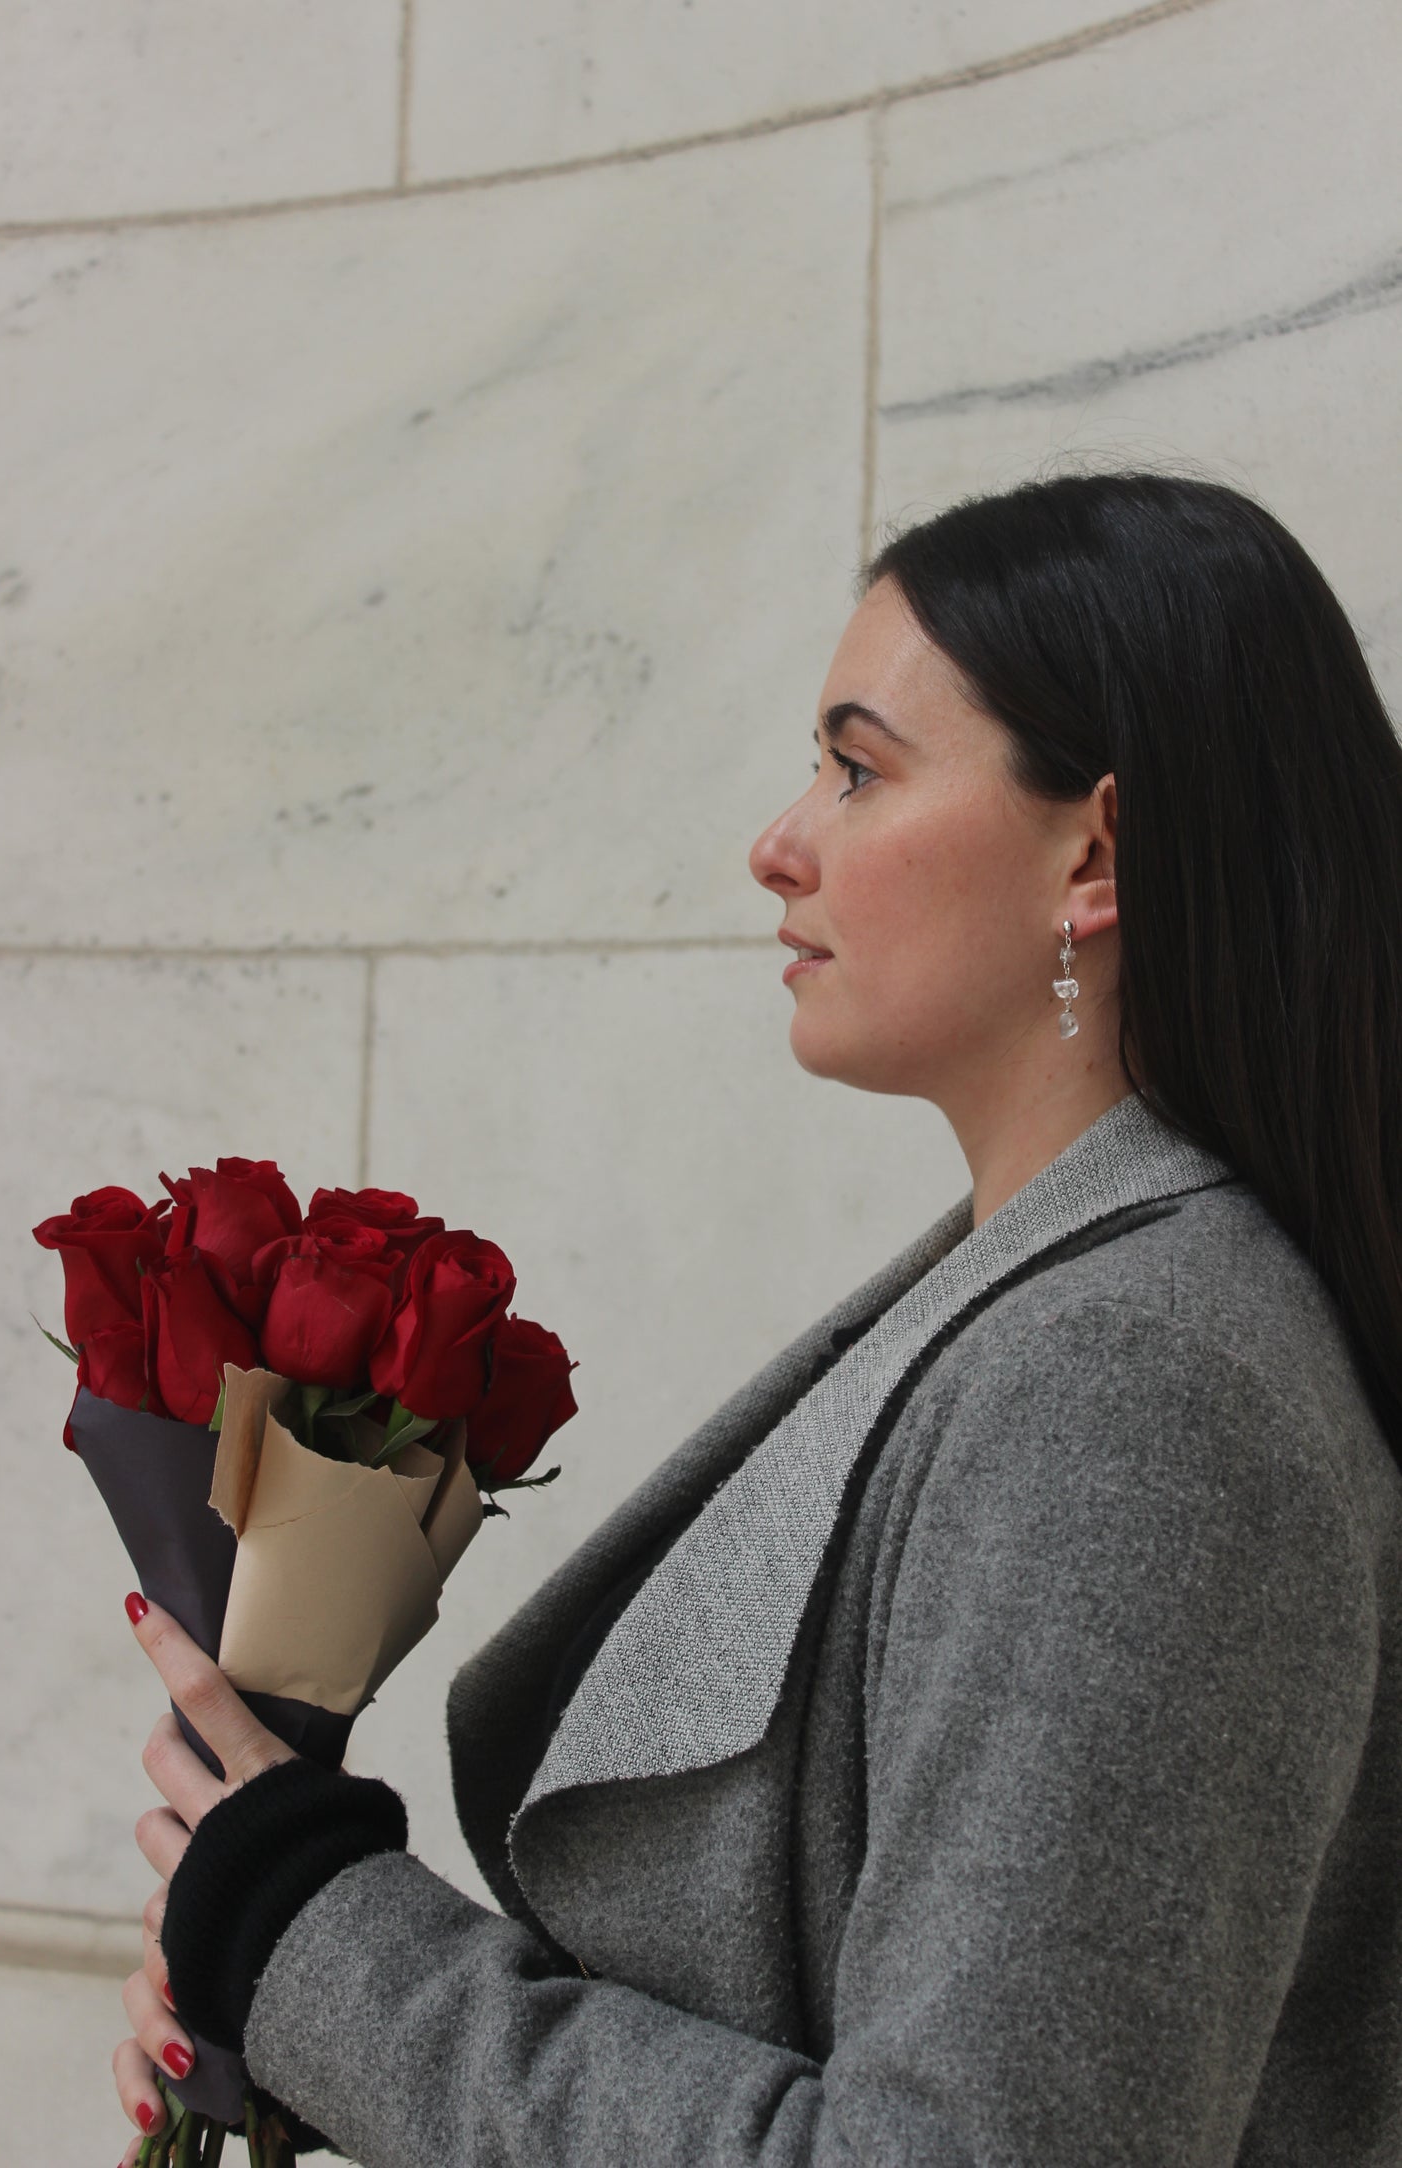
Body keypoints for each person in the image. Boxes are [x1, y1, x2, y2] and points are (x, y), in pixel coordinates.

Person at [113, 469, 1402, 2166]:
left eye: (856, 768)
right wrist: (295, 2008)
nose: (778, 840)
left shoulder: (1139, 1380)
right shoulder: (1060, 1307)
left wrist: (325, 1951)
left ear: (1090, 854)